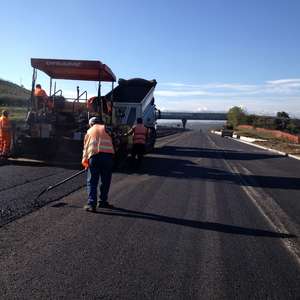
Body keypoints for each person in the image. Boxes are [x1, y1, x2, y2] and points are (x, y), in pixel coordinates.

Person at [82, 117, 115, 212]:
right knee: (105, 181)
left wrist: (85, 163)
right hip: (108, 157)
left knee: (92, 181)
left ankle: (91, 204)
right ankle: (103, 202)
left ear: (91, 124)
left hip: (94, 157)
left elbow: (86, 148)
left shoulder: (89, 131)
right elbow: (114, 142)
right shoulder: (107, 129)